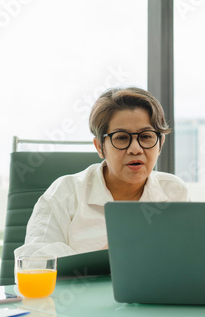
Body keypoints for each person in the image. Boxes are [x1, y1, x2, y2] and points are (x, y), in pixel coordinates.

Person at [14, 87, 189, 258]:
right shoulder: (64, 193)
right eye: (121, 137)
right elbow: (33, 262)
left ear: (160, 143)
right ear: (99, 147)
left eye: (146, 136)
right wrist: (105, 257)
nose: (136, 149)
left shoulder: (173, 191)